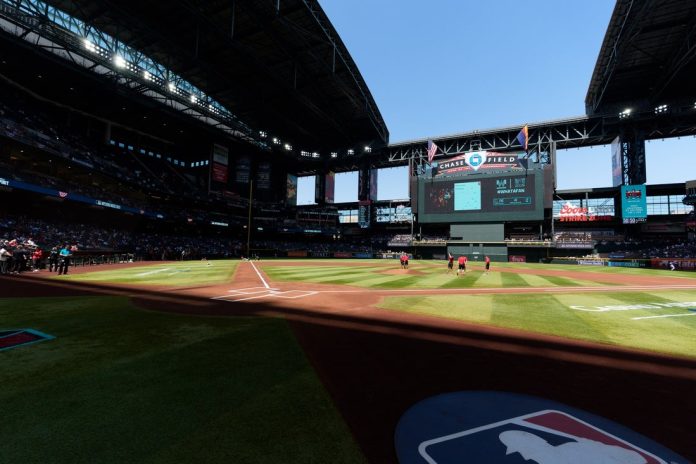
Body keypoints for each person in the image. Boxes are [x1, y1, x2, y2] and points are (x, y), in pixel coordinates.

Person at [499, 430, 646, 464]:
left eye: (527, 449)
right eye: (523, 451)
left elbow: (637, 459)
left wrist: (593, 445)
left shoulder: (577, 449)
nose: (526, 456)